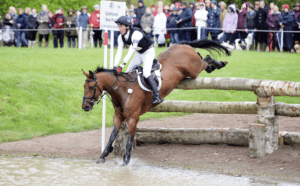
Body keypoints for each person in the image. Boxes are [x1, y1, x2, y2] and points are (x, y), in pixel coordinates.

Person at [113, 16, 163, 105]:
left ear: (127, 26)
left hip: (148, 52)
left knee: (146, 73)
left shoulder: (136, 34)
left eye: (121, 26)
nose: (119, 28)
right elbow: (119, 52)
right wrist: (115, 65)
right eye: (119, 26)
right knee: (128, 72)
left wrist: (121, 66)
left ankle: (157, 96)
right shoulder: (121, 37)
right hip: (139, 53)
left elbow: (130, 51)